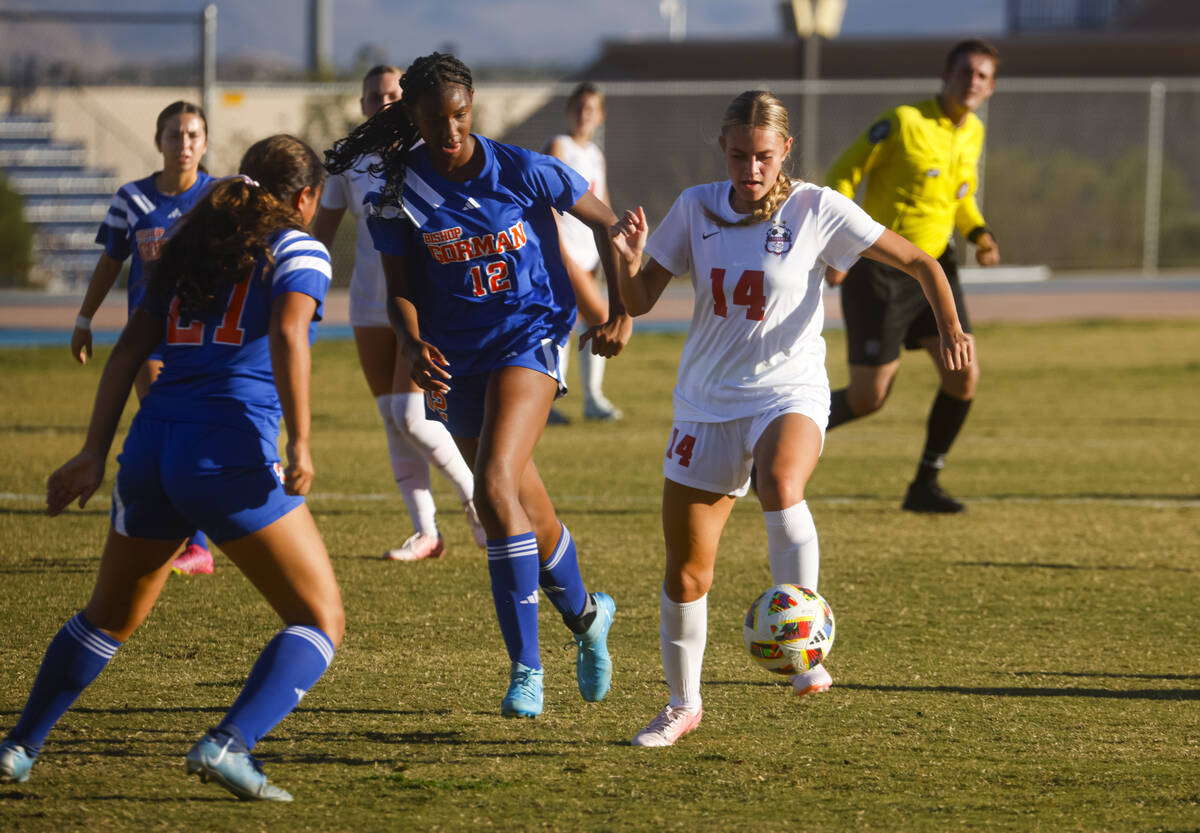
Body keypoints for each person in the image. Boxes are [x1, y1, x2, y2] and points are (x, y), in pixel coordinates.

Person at [612, 90, 973, 747]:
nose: (751, 168)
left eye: (763, 156)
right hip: (706, 401)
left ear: (786, 152)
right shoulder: (694, 207)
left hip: (790, 390)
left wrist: (951, 327)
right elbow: (636, 300)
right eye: (739, 155)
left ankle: (803, 645)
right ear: (722, 149)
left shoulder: (815, 207)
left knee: (781, 482)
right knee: (687, 570)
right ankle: (682, 704)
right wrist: (627, 256)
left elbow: (921, 260)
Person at [1, 135, 342, 802]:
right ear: (305, 197)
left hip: (151, 444)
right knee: (319, 618)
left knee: (106, 616)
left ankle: (17, 746)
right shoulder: (299, 246)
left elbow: (130, 345)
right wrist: (301, 439)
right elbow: (293, 334)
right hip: (227, 451)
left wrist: (93, 451)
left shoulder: (192, 240)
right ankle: (229, 742)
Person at [324, 52, 631, 718]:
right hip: (453, 356)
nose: (451, 130)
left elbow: (607, 223)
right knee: (522, 503)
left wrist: (620, 312)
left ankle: (526, 669)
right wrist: (410, 342)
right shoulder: (397, 190)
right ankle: (586, 616)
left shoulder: (521, 168)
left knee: (492, 484)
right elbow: (399, 293)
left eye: (460, 115)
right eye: (436, 119)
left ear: (472, 110)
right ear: (413, 118)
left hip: (529, 338)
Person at [312, 64, 483, 561]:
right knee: (391, 416)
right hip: (369, 303)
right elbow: (319, 238)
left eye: (392, 94)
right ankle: (426, 532)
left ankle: (477, 499)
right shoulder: (348, 164)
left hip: (419, 302)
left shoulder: (432, 153)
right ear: (363, 105)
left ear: (408, 102)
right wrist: (303, 295)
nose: (383, 103)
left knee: (412, 413)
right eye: (373, 96)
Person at [824, 39, 1000, 514]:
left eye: (982, 75)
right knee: (868, 399)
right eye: (965, 71)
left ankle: (925, 483)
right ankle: (771, 451)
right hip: (880, 273)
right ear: (945, 75)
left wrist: (980, 234)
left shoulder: (975, 132)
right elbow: (843, 173)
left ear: (991, 86)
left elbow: (960, 199)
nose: (973, 81)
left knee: (963, 376)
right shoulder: (904, 122)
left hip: (937, 270)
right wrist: (840, 244)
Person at [71, 101, 217, 574]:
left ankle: (197, 534)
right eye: (175, 135)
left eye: (193, 135)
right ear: (159, 142)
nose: (184, 144)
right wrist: (84, 319)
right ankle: (194, 543)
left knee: (193, 432)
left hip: (205, 340)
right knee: (167, 428)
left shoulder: (219, 198)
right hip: (150, 339)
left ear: (205, 143)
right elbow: (111, 262)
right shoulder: (131, 199)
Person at [541, 82, 623, 423]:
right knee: (602, 316)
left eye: (591, 109)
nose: (583, 114)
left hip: (590, 255)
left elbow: (601, 205)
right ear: (568, 110)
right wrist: (559, 251)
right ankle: (587, 400)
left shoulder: (595, 155)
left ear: (601, 116)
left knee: (568, 323)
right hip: (566, 253)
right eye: (578, 107)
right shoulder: (559, 146)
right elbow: (545, 202)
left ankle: (558, 401)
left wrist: (617, 240)